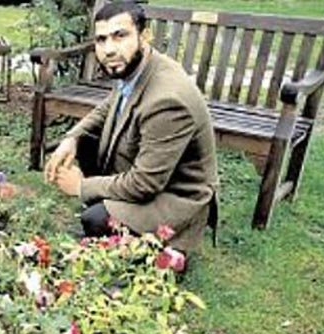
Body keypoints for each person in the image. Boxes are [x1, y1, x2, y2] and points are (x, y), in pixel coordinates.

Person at [44, 0, 218, 251]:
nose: (109, 49)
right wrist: (71, 137)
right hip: (153, 175)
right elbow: (109, 106)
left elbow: (145, 184)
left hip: (175, 196)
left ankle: (164, 249)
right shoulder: (139, 66)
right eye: (101, 40)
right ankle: (108, 221)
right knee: (85, 142)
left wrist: (81, 187)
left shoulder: (167, 100)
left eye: (120, 36)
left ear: (144, 36)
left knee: (95, 219)